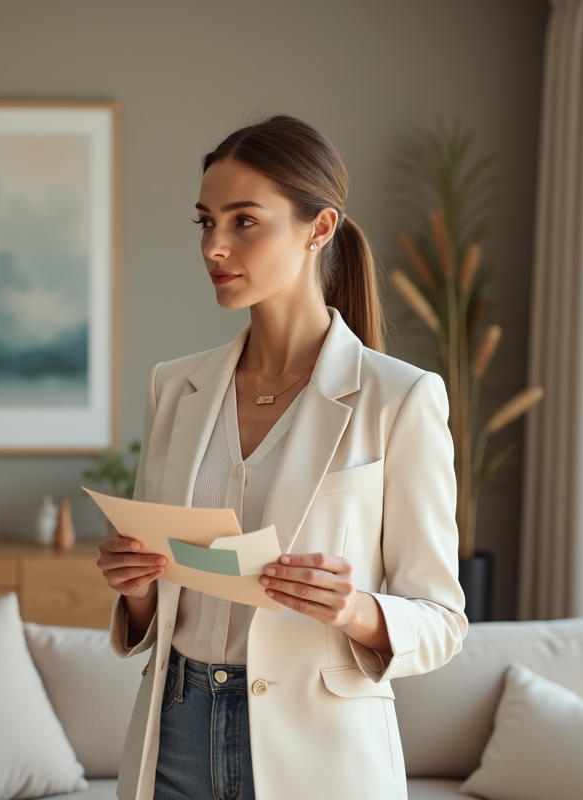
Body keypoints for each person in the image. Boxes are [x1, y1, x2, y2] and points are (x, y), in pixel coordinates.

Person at [96, 115, 467, 800]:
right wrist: (138, 589)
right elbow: (159, 599)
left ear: (318, 229)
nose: (215, 246)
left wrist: (353, 608)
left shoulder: (402, 396)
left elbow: (443, 621)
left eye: (244, 222)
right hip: (173, 732)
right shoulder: (174, 387)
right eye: (206, 222)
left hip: (319, 750)